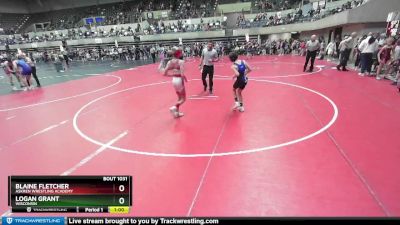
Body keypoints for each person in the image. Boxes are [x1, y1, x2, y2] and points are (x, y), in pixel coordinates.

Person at [161, 47, 188, 118]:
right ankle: (174, 107)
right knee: (183, 99)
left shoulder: (170, 62)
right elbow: (182, 74)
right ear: (179, 54)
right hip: (179, 80)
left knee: (179, 98)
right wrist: (184, 78)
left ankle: (177, 113)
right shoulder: (181, 62)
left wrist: (172, 75)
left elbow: (164, 73)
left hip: (174, 80)